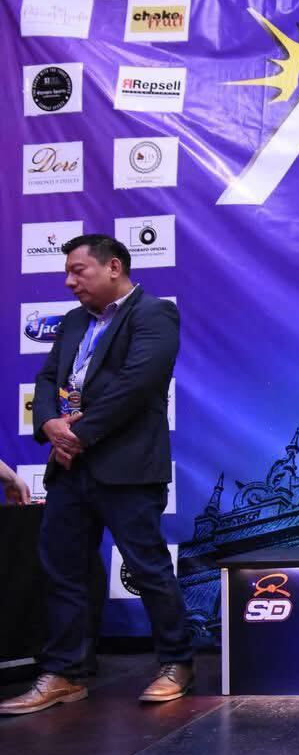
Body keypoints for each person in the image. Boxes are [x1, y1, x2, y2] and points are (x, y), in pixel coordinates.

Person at [0, 234, 191, 717]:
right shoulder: (71, 322)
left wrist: (78, 436)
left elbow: (138, 384)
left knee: (147, 569)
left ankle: (176, 662)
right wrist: (48, 424)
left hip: (126, 467)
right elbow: (47, 380)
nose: (69, 281)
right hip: (69, 469)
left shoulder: (154, 314)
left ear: (113, 267)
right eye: (66, 271)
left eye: (78, 271)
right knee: (62, 571)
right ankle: (64, 672)